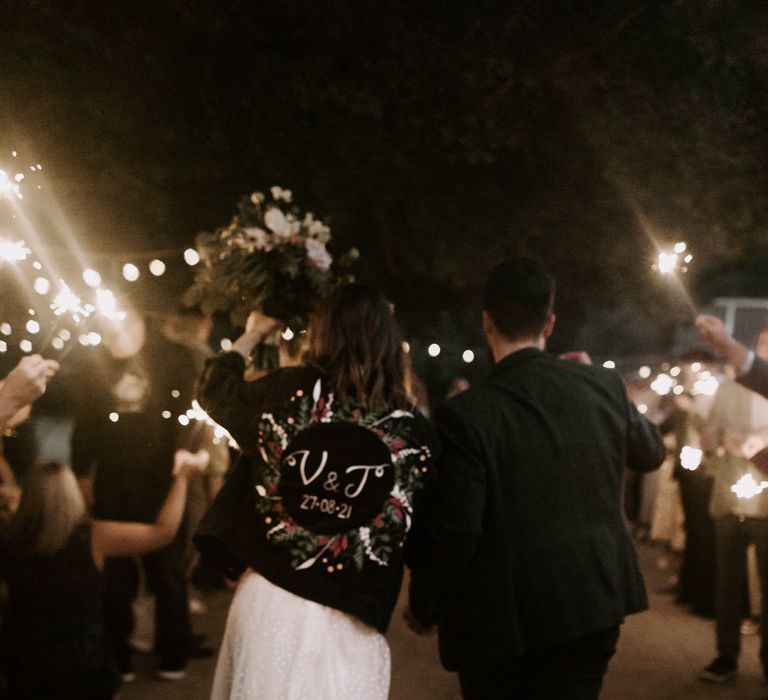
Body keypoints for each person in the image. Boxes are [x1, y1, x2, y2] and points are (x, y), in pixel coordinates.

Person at [405, 257, 665, 700]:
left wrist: (428, 600)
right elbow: (651, 453)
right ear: (549, 322)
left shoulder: (468, 415)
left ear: (487, 322)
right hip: (591, 606)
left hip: (503, 624)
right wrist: (600, 380)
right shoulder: (601, 386)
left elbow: (458, 528)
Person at [195, 283, 436, 700]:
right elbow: (424, 528)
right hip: (349, 619)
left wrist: (252, 333)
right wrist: (426, 602)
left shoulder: (289, 391)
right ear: (389, 342)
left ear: (322, 332)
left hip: (269, 600)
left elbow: (215, 391)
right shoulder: (413, 432)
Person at [0, 451, 206, 699]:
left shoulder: (10, 537)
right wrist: (182, 479)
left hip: (23, 657)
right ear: (70, 495)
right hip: (82, 662)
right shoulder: (94, 537)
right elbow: (163, 533)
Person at [70, 305, 203, 680]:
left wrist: (184, 455)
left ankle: (173, 651)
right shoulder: (98, 365)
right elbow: (87, 421)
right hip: (112, 478)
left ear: (137, 320)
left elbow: (188, 412)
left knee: (167, 569)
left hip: (160, 478)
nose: (110, 337)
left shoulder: (171, 358)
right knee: (114, 574)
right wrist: (81, 470)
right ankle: (118, 654)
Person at [695, 316, 768, 681]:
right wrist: (715, 445)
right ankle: (726, 657)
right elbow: (710, 436)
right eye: (765, 345)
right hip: (729, 496)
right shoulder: (730, 389)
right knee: (727, 585)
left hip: (766, 506)